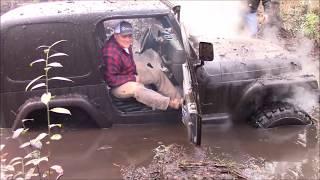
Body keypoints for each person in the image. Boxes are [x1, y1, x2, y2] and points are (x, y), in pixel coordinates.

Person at [102, 21, 183, 110]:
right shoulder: (111, 53)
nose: (128, 39)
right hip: (115, 87)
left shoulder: (124, 44)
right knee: (138, 88)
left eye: (130, 36)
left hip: (127, 74)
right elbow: (110, 80)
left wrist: (135, 74)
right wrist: (133, 78)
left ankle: (177, 99)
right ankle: (169, 103)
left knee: (156, 72)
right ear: (115, 35)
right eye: (124, 36)